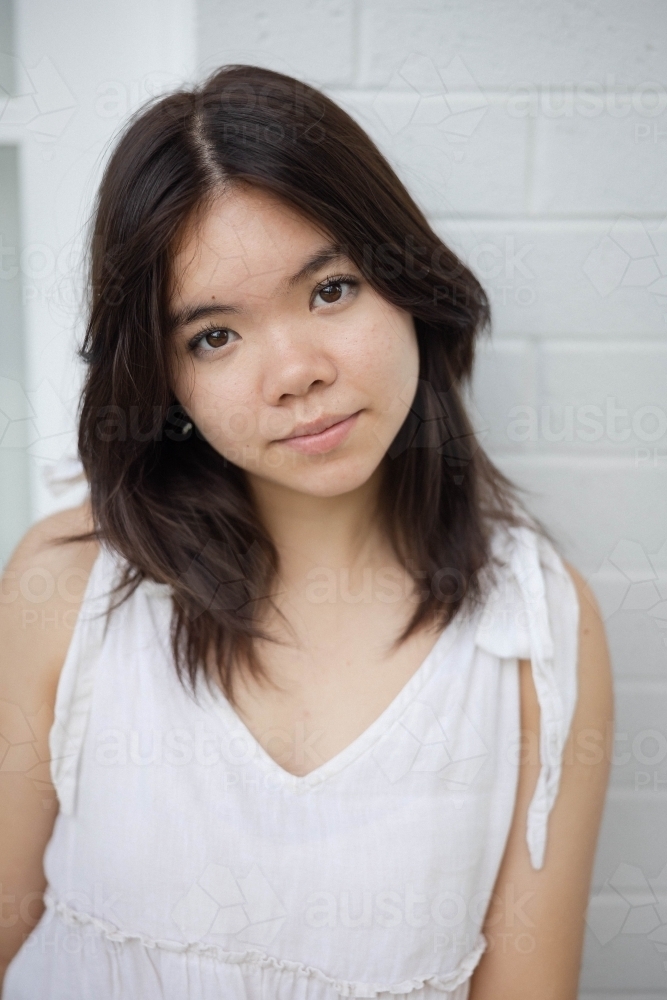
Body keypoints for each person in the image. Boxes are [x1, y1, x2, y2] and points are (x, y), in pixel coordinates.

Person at [0, 64, 613, 999]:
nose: (294, 372)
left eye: (329, 289)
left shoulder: (536, 630)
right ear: (164, 381)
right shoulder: (69, 581)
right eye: (214, 336)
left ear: (406, 283)